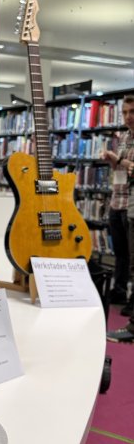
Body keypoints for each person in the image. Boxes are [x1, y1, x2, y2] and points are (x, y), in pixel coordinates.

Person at [100, 94, 134, 311]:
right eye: (124, 112)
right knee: (120, 253)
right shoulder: (124, 137)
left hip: (131, 204)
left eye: (132, 112)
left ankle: (132, 301)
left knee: (133, 256)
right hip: (116, 201)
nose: (128, 117)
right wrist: (110, 159)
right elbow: (120, 169)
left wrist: (118, 159)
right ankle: (119, 290)